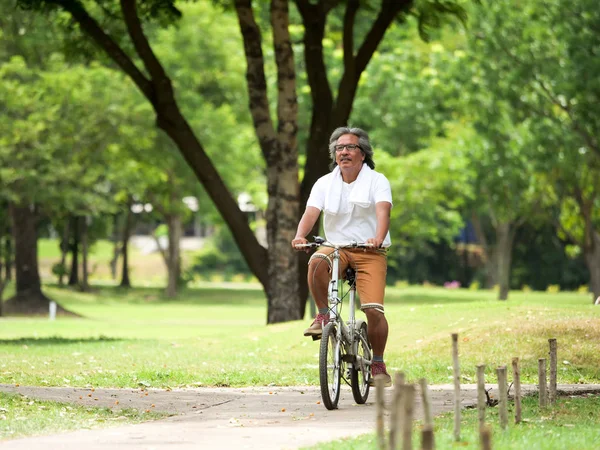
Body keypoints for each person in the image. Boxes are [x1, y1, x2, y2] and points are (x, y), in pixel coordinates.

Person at [291, 126, 393, 387]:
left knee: (373, 310)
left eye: (350, 147)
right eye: (339, 148)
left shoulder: (377, 180)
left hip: (371, 250)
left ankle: (378, 363)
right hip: (336, 246)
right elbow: (311, 213)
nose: (344, 152)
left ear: (363, 154)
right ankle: (323, 314)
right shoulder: (324, 183)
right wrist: (300, 235)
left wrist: (378, 237)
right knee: (316, 261)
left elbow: (383, 212)